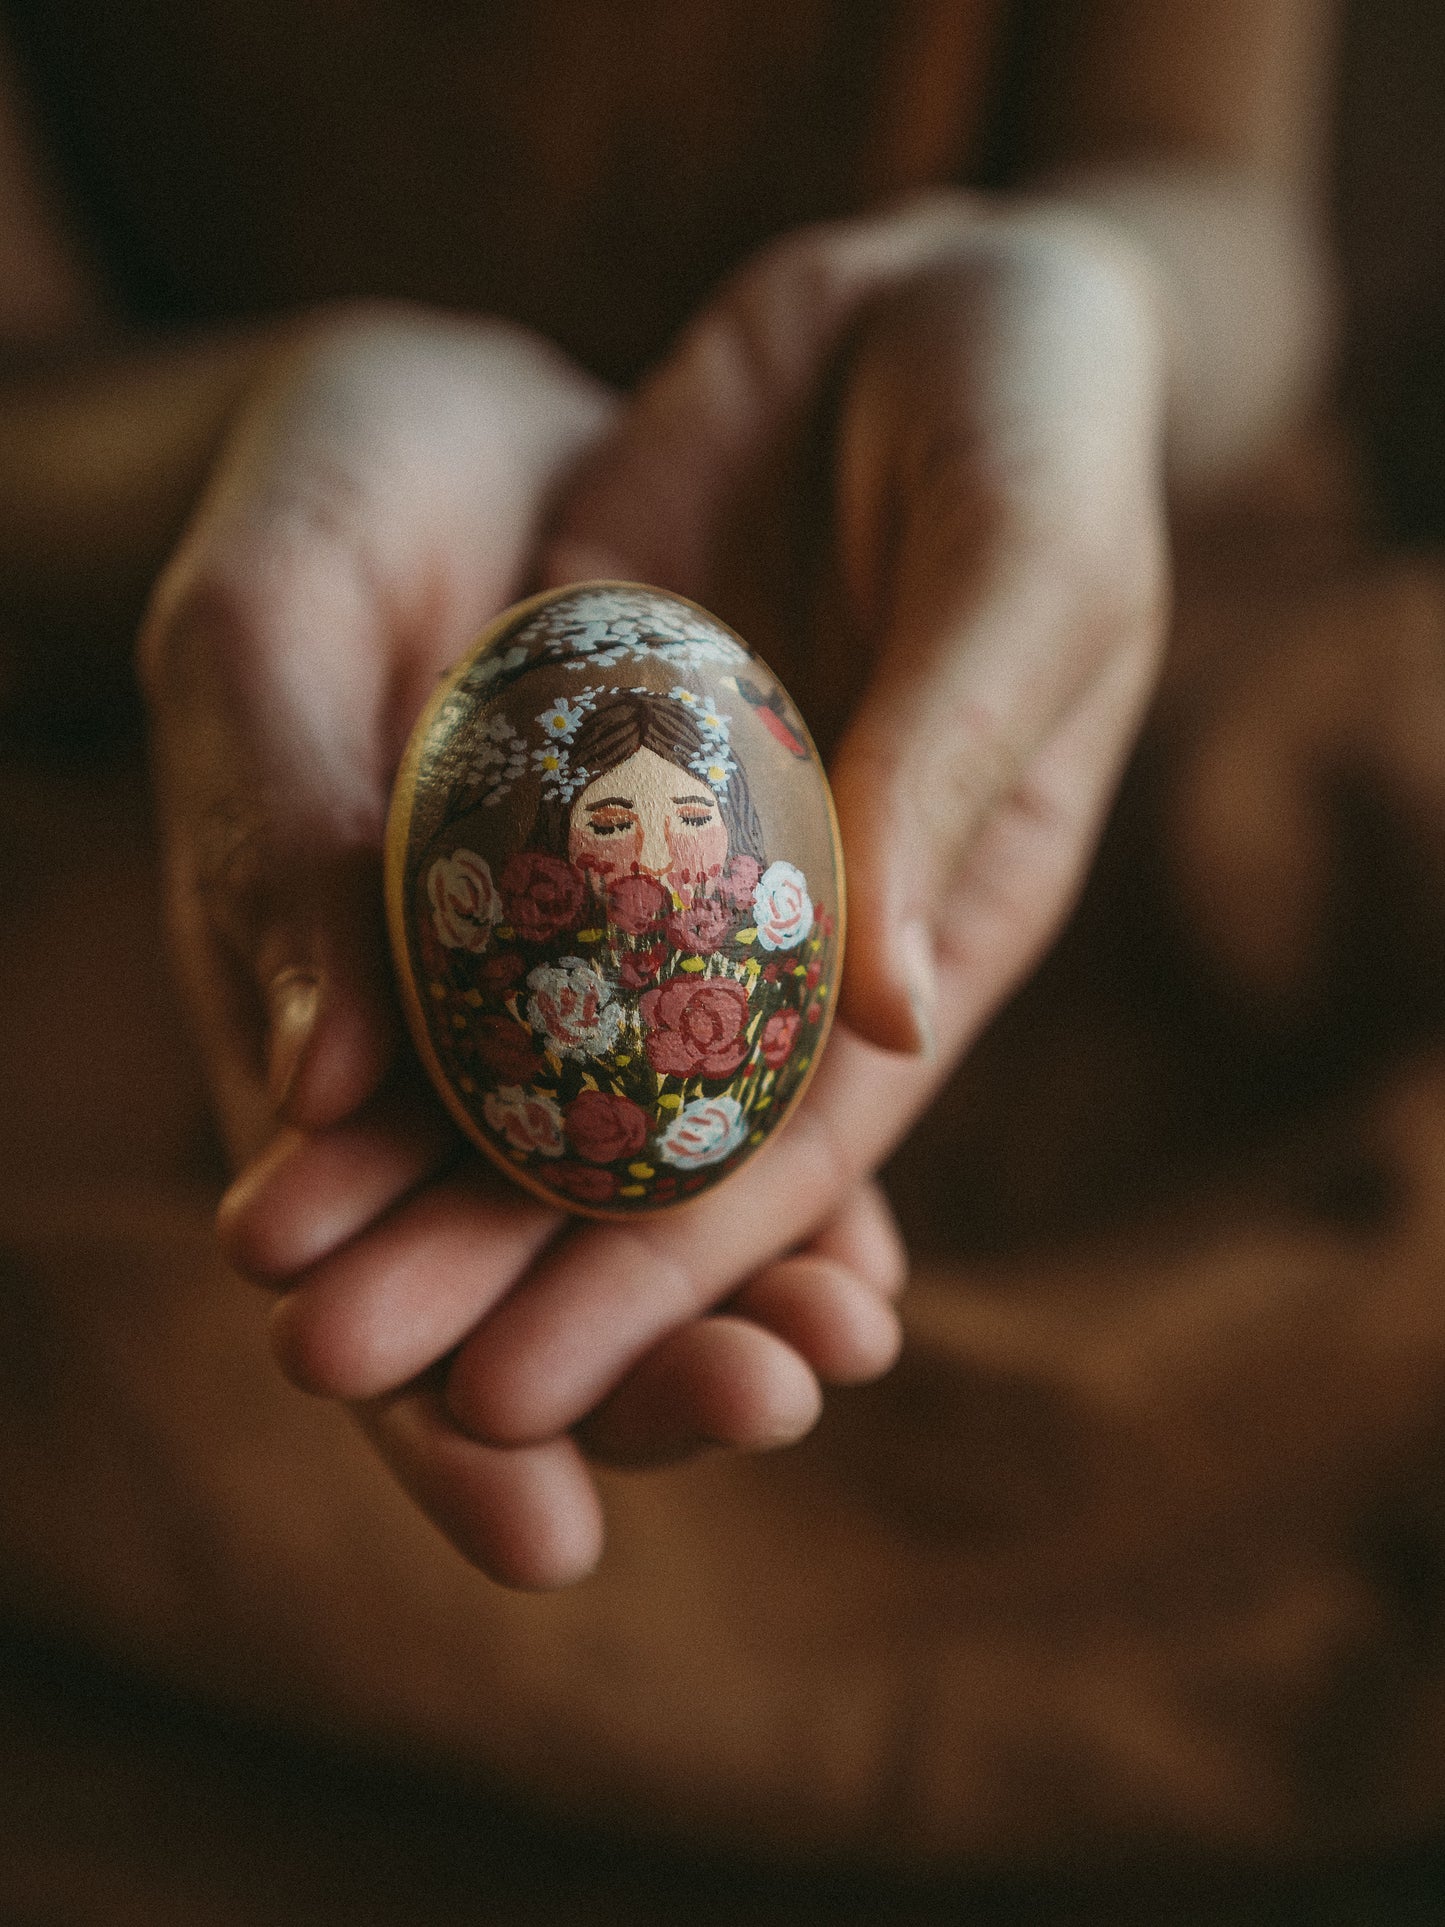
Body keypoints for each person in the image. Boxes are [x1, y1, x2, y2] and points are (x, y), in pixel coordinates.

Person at [0, 0, 1356, 1859]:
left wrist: (1096, 303)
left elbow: (1230, 216)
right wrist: (259, 429)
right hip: (227, 733)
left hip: (1065, 668)